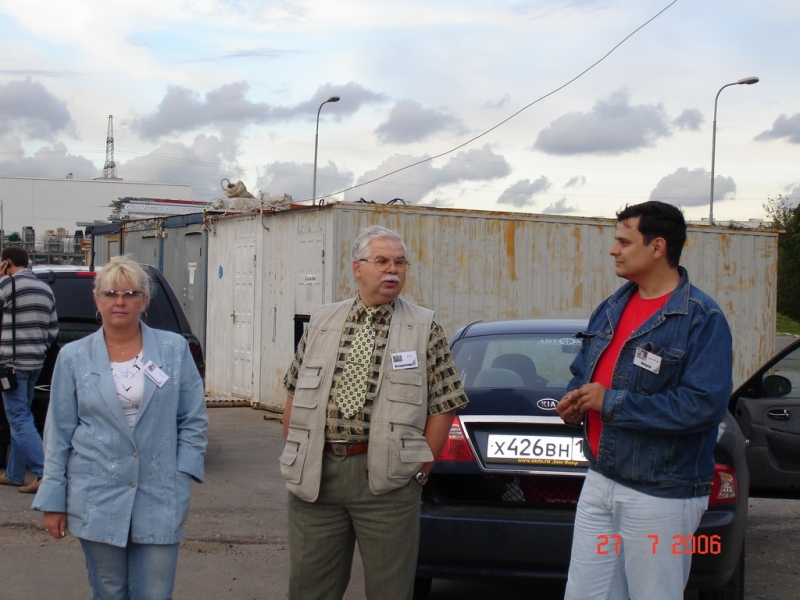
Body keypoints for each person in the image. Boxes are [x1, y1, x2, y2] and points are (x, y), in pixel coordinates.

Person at [280, 225, 469, 600]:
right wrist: (298, 450)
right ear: (357, 268)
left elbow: (445, 404)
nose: (392, 270)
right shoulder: (322, 322)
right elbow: (294, 391)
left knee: (390, 590)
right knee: (308, 588)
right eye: (382, 261)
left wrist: (419, 472)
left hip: (388, 480)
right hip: (316, 478)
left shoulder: (424, 328)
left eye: (400, 262)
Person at [556, 201, 733, 600]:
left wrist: (611, 402)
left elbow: (702, 406)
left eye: (624, 241)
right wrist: (575, 403)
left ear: (657, 247)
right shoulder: (611, 308)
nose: (613, 250)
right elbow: (583, 374)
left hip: (661, 494)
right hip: (600, 479)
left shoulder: (701, 318)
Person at [32, 256, 208, 600]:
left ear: (145, 300)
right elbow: (58, 433)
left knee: (155, 593)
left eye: (130, 293)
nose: (120, 301)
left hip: (159, 494)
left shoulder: (173, 350)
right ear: (97, 300)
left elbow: (193, 419)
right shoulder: (73, 357)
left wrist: (181, 472)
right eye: (111, 293)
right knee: (109, 592)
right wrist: (53, 498)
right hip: (96, 495)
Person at [0, 246, 58, 493]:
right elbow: (53, 330)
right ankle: (15, 474)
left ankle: (46, 473)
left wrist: (1, 277)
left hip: (11, 365)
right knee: (22, 416)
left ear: (7, 262)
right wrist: (38, 348)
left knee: (18, 418)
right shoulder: (45, 289)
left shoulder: (8, 285)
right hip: (35, 363)